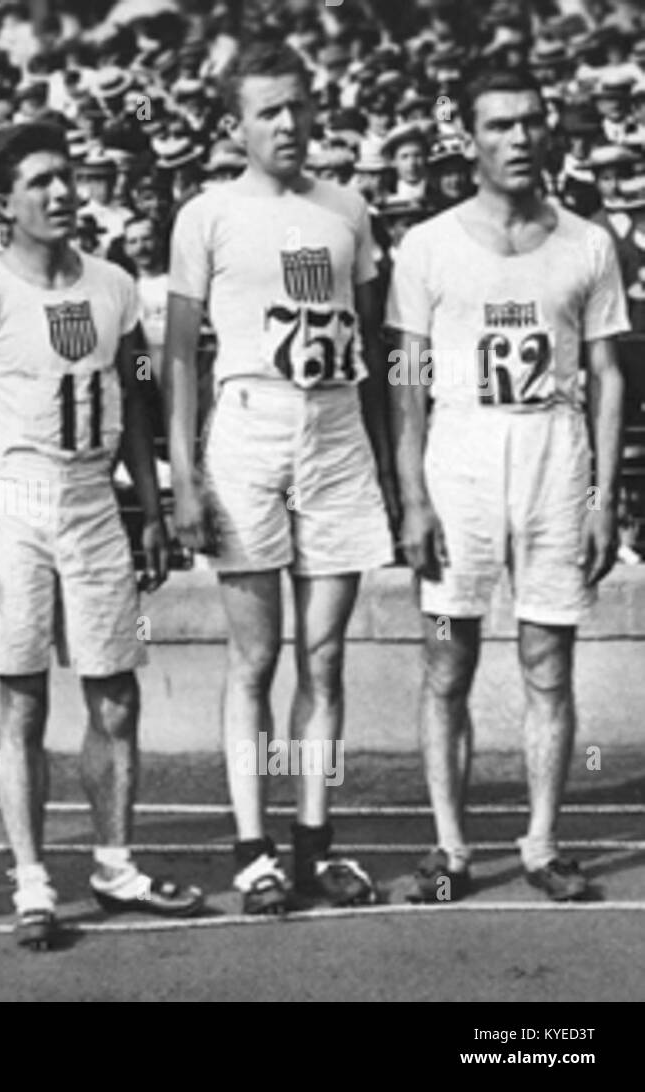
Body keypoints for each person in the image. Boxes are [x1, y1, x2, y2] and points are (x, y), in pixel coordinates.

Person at [0, 122, 204, 950]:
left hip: (92, 501)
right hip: (14, 502)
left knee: (115, 691)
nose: (60, 193)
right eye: (40, 181)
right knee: (21, 697)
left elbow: (138, 404)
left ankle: (115, 864)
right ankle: (33, 880)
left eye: (67, 176)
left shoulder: (115, 285)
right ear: (2, 204)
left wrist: (150, 510)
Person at [165, 42, 397, 916]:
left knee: (326, 658)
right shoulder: (207, 214)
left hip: (334, 430)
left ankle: (316, 842)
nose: (290, 124)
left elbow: (374, 350)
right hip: (250, 430)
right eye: (269, 112)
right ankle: (253, 847)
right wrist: (184, 478)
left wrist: (386, 467)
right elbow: (180, 358)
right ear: (237, 126)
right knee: (255, 658)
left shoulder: (348, 208)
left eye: (299, 107)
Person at [388, 67, 627, 903]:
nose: (518, 139)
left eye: (530, 123)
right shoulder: (427, 244)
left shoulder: (589, 243)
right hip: (461, 457)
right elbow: (405, 380)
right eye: (499, 126)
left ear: (548, 129)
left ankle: (540, 843)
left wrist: (603, 496)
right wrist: (412, 495)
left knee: (547, 661)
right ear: (471, 139)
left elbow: (607, 375)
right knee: (446, 664)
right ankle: (450, 850)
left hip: (553, 454)